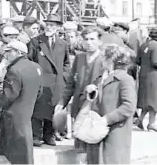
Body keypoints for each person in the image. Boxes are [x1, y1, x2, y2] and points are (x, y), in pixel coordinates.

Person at [0, 41, 43, 164]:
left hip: (12, 115)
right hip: (27, 113)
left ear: (19, 53)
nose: (6, 54)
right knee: (25, 152)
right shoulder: (36, 67)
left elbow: (8, 95)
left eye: (9, 51)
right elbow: (39, 91)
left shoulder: (14, 70)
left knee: (13, 154)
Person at [57, 26, 104, 160]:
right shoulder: (80, 58)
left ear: (99, 41)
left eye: (92, 39)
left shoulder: (104, 59)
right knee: (80, 147)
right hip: (79, 107)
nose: (89, 42)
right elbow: (71, 83)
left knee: (94, 147)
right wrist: (63, 102)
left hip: (96, 109)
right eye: (86, 39)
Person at [87, 44, 137, 164]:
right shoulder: (101, 77)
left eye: (103, 56)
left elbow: (128, 106)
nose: (101, 59)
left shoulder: (125, 79)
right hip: (98, 130)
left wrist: (106, 119)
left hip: (116, 131)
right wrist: (90, 92)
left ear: (111, 59)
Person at [28, 14, 70, 147]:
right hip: (41, 80)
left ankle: (49, 135)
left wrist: (63, 76)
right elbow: (30, 60)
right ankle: (36, 135)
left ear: (58, 27)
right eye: (48, 24)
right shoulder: (36, 42)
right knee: (38, 109)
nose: (49, 27)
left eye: (53, 25)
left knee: (53, 108)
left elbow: (66, 63)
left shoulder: (63, 44)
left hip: (56, 82)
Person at [136, 27, 157, 131]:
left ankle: (140, 119)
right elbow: (155, 62)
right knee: (153, 100)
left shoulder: (144, 45)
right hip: (154, 75)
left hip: (143, 74)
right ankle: (151, 123)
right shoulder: (156, 46)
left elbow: (137, 60)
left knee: (146, 99)